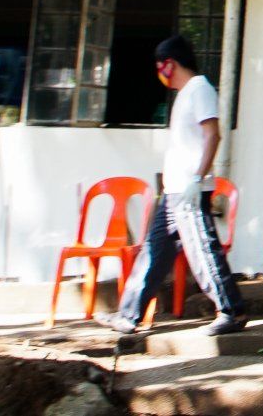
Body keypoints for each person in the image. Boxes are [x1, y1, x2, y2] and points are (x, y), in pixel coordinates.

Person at [96, 36, 247, 336]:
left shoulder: (200, 89)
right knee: (153, 252)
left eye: (159, 65)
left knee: (203, 252)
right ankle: (129, 315)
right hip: (174, 191)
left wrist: (197, 178)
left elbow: (213, 135)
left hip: (190, 189)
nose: (159, 72)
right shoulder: (185, 94)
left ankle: (232, 311)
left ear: (170, 63)